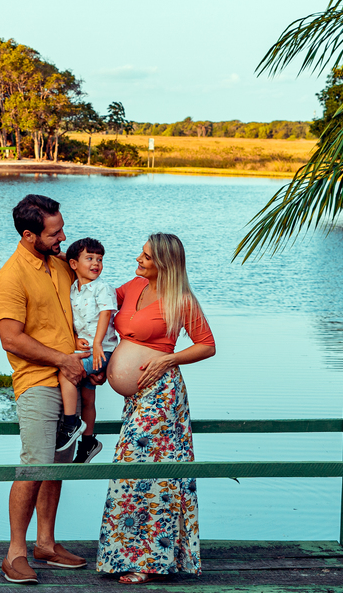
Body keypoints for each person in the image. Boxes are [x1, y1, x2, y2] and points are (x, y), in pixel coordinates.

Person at [96, 233, 216, 585]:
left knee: (142, 470)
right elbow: (98, 299)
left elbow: (207, 345)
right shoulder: (132, 287)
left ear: (163, 263)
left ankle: (148, 560)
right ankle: (127, 556)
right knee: (133, 470)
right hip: (135, 399)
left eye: (146, 256)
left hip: (162, 395)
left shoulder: (181, 299)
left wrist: (169, 359)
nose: (139, 258)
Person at [0, 194, 91, 585]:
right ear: (30, 234)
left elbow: (84, 309)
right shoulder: (11, 276)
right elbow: (10, 338)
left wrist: (87, 355)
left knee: (58, 467)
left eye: (62, 228)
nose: (63, 237)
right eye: (55, 232)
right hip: (37, 382)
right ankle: (15, 552)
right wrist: (63, 359)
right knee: (34, 464)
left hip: (72, 380)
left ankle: (46, 544)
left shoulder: (60, 266)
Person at [57, 236, 118, 463]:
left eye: (100, 259)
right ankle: (88, 441)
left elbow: (105, 313)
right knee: (88, 398)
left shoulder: (102, 287)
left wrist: (97, 343)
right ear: (74, 264)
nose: (96, 264)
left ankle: (71, 423)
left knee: (66, 373)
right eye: (90, 258)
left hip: (102, 350)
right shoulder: (74, 288)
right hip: (85, 348)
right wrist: (75, 338)